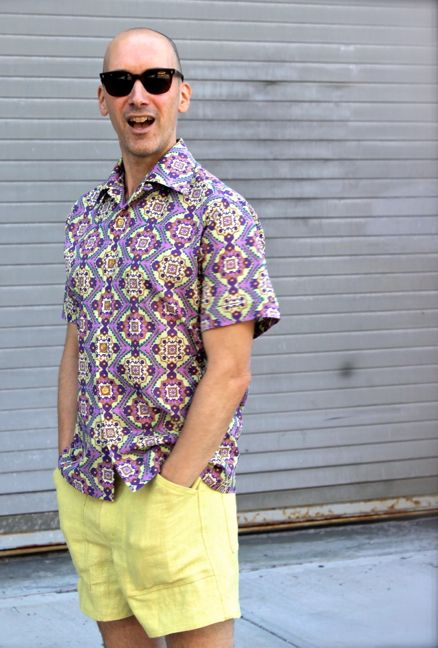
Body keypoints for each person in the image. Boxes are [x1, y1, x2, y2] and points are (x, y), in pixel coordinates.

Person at [53, 27, 280, 648]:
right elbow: (76, 343)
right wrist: (67, 456)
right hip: (92, 481)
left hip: (175, 485)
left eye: (155, 79)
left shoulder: (219, 212)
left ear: (182, 93)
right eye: (120, 82)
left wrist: (173, 491)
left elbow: (232, 371)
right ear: (102, 99)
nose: (138, 96)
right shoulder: (87, 214)